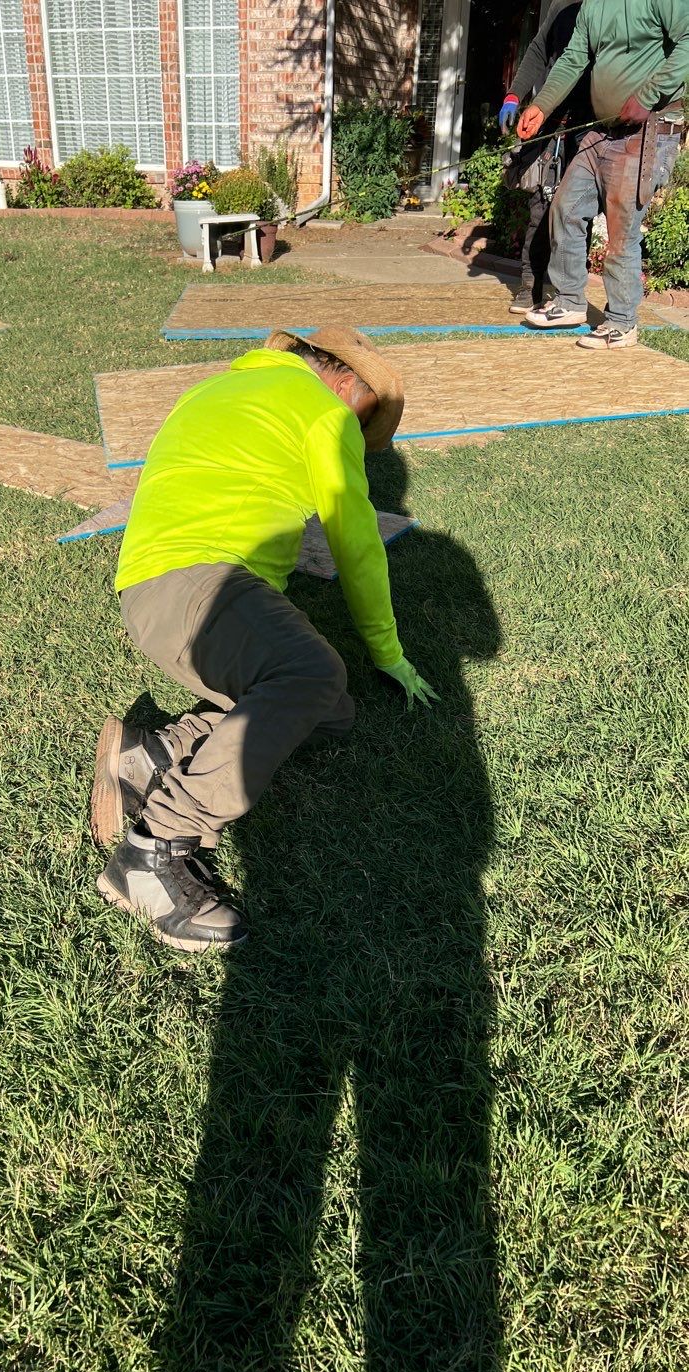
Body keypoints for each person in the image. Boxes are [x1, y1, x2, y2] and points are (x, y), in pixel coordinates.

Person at [90, 328, 437, 952]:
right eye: (364, 420)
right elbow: (356, 545)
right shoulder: (323, 412)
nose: (358, 438)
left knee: (330, 714)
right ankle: (156, 849)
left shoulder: (216, 391)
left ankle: (157, 754)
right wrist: (388, 652)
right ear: (343, 384)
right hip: (203, 585)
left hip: (152, 593)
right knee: (310, 675)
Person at [517, 0, 687, 348]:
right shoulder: (593, 6)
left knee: (621, 225)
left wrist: (649, 95)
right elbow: (573, 57)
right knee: (566, 206)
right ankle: (569, 302)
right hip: (604, 131)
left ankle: (622, 321)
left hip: (650, 130)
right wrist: (541, 104)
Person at [498, 0, 591, 313]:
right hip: (549, 116)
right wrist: (514, 96)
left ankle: (568, 293)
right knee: (541, 200)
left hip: (590, 119)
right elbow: (538, 51)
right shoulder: (560, 6)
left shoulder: (612, 8)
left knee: (578, 207)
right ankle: (531, 284)